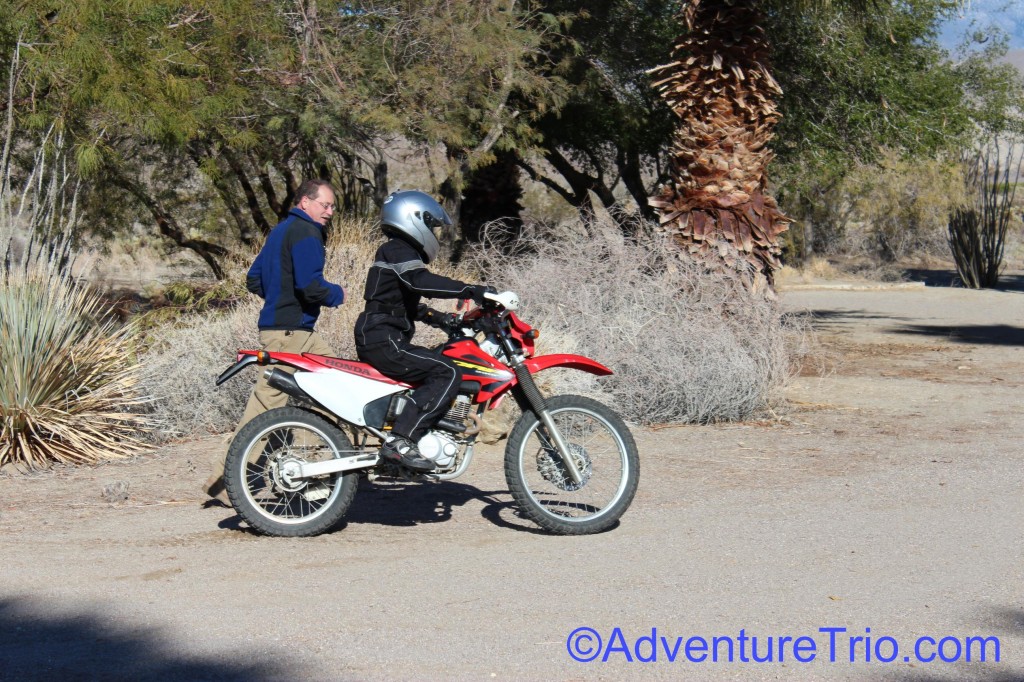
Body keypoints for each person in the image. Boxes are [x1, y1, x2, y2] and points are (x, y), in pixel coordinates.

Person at [204, 179, 346, 502]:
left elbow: (253, 278)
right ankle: (226, 482)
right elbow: (311, 287)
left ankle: (336, 465)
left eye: (332, 206)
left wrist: (278, 296)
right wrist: (339, 293)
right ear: (305, 202)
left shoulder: (281, 230)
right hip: (289, 333)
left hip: (291, 331)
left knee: (341, 382)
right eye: (325, 204)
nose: (330, 211)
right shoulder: (307, 232)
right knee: (266, 405)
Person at [354, 190, 494, 472]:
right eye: (431, 226)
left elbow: (406, 304)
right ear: (414, 219)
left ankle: (410, 435)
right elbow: (420, 282)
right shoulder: (397, 249)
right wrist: (470, 289)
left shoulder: (397, 252)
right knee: (448, 371)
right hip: (383, 338)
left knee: (441, 365)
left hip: (382, 335)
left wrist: (443, 320)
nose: (433, 233)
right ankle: (401, 441)